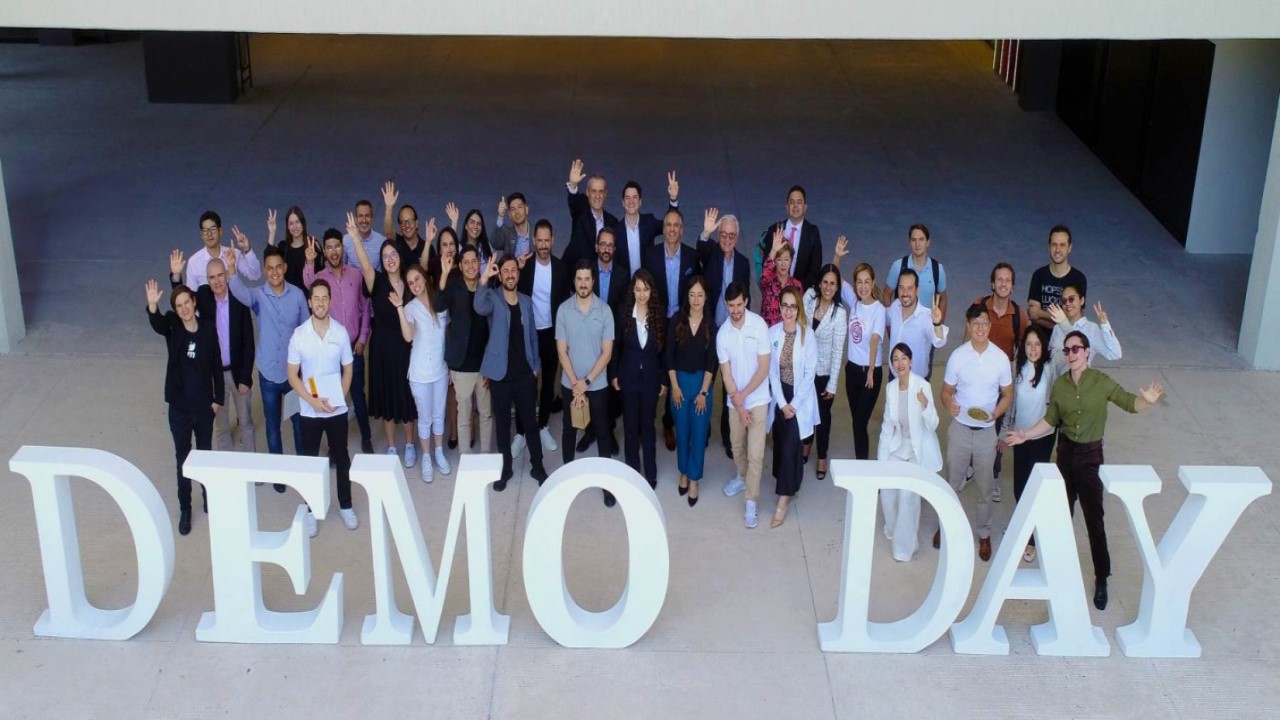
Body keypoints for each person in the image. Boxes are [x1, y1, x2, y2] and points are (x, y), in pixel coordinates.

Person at [1005, 330, 1164, 610]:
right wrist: (1025, 435)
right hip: (1065, 453)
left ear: (1087, 352)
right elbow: (1050, 419)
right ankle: (1059, 572)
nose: (1071, 354)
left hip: (1090, 456)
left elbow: (1129, 402)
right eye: (1067, 350)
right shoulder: (1060, 386)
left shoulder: (1100, 382)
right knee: (1061, 515)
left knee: (1094, 519)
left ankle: (1101, 576)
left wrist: (1146, 402)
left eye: (1076, 349)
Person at [226, 244, 309, 493]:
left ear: (285, 268)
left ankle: (303, 471)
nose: (274, 272)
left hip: (293, 376)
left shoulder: (297, 296)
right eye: (270, 268)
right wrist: (232, 269)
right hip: (269, 374)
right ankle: (278, 474)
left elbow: (306, 331)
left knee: (298, 426)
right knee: (273, 428)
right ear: (264, 270)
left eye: (278, 267)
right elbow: (240, 292)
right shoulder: (259, 296)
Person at [145, 280, 223, 536]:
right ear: (176, 311)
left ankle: (209, 498)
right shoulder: (174, 328)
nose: (184, 308)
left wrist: (217, 399)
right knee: (183, 459)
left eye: (187, 302)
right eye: (179, 306)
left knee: (205, 455)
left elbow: (216, 364)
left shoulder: (208, 328)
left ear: (194, 302)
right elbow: (158, 324)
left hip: (204, 408)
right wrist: (153, 306)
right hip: (180, 409)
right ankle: (186, 509)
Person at [940, 303, 1013, 562]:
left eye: (984, 323)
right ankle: (945, 526)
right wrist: (949, 404)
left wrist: (996, 413)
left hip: (986, 433)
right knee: (952, 483)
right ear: (968, 326)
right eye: (975, 323)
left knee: (985, 488)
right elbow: (946, 391)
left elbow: (1007, 394)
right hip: (960, 429)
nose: (980, 328)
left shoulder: (1000, 358)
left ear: (990, 326)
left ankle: (984, 533)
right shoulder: (958, 356)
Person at [285, 278, 357, 538]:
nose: (320, 302)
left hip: (336, 409)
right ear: (309, 302)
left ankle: (346, 506)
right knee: (310, 461)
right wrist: (312, 400)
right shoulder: (299, 335)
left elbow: (348, 369)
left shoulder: (340, 332)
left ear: (330, 301)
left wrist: (340, 397)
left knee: (342, 457)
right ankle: (309, 510)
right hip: (309, 410)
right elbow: (292, 374)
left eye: (324, 298)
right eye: (316, 298)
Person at [346, 213, 418, 466]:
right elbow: (366, 266)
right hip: (382, 350)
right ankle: (391, 447)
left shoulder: (410, 283)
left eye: (393, 254)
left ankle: (410, 444)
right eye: (385, 256)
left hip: (406, 348)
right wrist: (355, 239)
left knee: (406, 397)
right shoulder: (376, 281)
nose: (390, 259)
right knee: (388, 400)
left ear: (400, 257)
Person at [167, 251, 255, 455]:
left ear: (227, 275)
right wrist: (176, 276)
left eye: (220, 275)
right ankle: (223, 468)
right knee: (221, 427)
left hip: (237, 374)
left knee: (246, 423)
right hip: (214, 376)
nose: (217, 281)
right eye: (212, 277)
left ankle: (250, 466)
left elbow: (249, 341)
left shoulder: (239, 299)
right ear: (207, 280)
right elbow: (183, 301)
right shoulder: (204, 296)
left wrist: (245, 377)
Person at [474, 254, 549, 490]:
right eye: (505, 270)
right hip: (500, 377)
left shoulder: (526, 301)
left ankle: (538, 466)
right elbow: (478, 306)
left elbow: (533, 336)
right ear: (500, 275)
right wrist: (484, 279)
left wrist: (535, 367)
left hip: (525, 375)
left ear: (518, 273)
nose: (510, 274)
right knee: (503, 426)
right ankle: (505, 469)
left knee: (530, 424)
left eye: (513, 270)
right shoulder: (492, 298)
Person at [303, 229, 373, 453]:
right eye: (329, 247)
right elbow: (308, 285)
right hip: (330, 351)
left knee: (358, 396)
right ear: (324, 251)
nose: (334, 251)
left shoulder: (356, 275)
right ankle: (335, 446)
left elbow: (365, 308)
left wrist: (363, 338)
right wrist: (309, 262)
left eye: (337, 246)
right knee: (332, 397)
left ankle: (367, 438)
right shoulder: (319, 277)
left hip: (353, 348)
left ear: (343, 248)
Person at [556, 259, 617, 505]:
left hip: (597, 385)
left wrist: (587, 382)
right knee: (569, 432)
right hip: (570, 384)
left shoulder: (605, 311)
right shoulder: (563, 310)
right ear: (574, 281)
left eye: (587, 279)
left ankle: (607, 487)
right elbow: (562, 351)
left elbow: (607, 353)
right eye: (579, 279)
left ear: (593, 281)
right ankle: (565, 481)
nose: (583, 284)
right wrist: (576, 383)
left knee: (603, 433)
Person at [967, 262, 1028, 501]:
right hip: (977, 376)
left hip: (1002, 380)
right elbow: (967, 338)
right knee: (973, 421)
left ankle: (993, 474)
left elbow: (1022, 350)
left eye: (1007, 280)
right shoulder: (980, 305)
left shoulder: (1018, 315)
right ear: (992, 284)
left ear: (1012, 286)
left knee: (997, 426)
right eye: (999, 280)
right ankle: (971, 466)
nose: (1003, 284)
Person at [877, 343, 943, 562]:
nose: (900, 363)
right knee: (887, 491)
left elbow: (933, 424)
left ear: (911, 361)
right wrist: (881, 462)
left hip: (917, 450)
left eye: (904, 358)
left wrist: (925, 405)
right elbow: (887, 427)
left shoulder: (922, 386)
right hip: (898, 447)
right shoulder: (891, 388)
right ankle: (894, 529)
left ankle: (904, 548)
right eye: (895, 359)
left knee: (907, 496)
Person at [697, 208, 752, 456]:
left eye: (731, 236)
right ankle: (703, 431)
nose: (727, 240)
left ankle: (730, 437)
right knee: (706, 381)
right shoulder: (711, 252)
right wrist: (705, 233)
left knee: (730, 384)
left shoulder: (743, 263)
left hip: (731, 331)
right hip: (711, 328)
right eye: (723, 235)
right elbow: (700, 249)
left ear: (737, 238)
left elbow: (745, 297)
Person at [717, 282, 772, 529]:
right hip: (735, 403)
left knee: (756, 454)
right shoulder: (722, 334)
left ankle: (751, 501)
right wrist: (738, 405)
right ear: (726, 305)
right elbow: (726, 373)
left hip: (758, 400)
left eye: (739, 304)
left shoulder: (759, 326)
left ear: (746, 301)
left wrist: (744, 396)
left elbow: (764, 368)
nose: (736, 310)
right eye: (731, 306)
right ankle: (741, 477)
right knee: (737, 446)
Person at [643, 207, 698, 451]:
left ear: (682, 230)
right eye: (668, 225)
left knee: (674, 369)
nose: (672, 229)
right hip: (657, 322)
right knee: (652, 369)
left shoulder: (691, 257)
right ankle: (646, 422)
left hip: (680, 323)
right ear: (663, 229)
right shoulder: (651, 255)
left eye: (676, 225)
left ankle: (668, 422)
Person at [390, 263, 451, 482]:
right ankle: (426, 456)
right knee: (425, 418)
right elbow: (408, 336)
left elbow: (448, 334)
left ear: (425, 278)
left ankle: (439, 452)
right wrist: (399, 307)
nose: (415, 284)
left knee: (439, 414)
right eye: (410, 283)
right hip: (420, 374)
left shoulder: (440, 302)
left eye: (417, 279)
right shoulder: (410, 308)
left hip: (440, 370)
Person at [1001, 324, 1054, 563]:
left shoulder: (1051, 369)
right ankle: (1023, 526)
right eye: (1029, 344)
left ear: (1044, 347)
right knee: (1019, 486)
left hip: (1041, 437)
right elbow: (1009, 403)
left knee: (1033, 487)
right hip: (1019, 435)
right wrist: (1004, 433)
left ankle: (1030, 539)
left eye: (1037, 344)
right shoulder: (1017, 368)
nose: (1033, 349)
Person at [767, 286, 818, 528]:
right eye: (784, 306)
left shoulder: (808, 335)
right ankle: (793, 481)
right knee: (781, 443)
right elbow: (772, 372)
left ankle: (783, 499)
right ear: (779, 307)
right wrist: (782, 403)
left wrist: (794, 405)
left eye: (793, 306)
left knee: (790, 446)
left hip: (800, 399)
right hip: (781, 397)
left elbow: (809, 375)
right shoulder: (773, 333)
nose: (788, 311)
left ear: (799, 309)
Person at [517, 219, 568, 455]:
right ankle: (520, 432)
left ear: (553, 240)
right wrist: (517, 269)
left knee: (548, 382)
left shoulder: (561, 268)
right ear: (534, 241)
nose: (544, 245)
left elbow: (565, 303)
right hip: (529, 333)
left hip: (551, 333)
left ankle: (543, 425)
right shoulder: (525, 267)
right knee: (526, 383)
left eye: (547, 240)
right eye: (540, 240)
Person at [611, 269, 665, 490]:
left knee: (648, 426)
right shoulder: (623, 312)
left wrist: (663, 380)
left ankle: (650, 473)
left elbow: (663, 351)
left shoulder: (658, 313)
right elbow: (616, 346)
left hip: (651, 379)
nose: (642, 294)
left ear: (651, 291)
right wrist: (614, 373)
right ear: (632, 291)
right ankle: (632, 472)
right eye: (638, 289)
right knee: (630, 427)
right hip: (629, 377)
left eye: (646, 289)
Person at [665, 276, 717, 507]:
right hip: (679, 385)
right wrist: (674, 387)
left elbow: (711, 361)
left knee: (698, 433)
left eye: (700, 295)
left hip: (701, 386)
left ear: (706, 297)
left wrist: (704, 393)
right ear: (687, 296)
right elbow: (669, 355)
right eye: (692, 295)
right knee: (682, 430)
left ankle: (694, 478)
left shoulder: (710, 325)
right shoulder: (677, 320)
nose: (696, 300)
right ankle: (684, 472)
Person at [438, 245, 493, 453]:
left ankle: (485, 456)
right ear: (460, 266)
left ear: (479, 264)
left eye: (474, 261)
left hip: (484, 366)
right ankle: (466, 459)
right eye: (466, 262)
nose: (471, 266)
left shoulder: (486, 285)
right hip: (461, 366)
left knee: (486, 414)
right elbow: (438, 305)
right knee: (463, 416)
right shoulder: (453, 286)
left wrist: (492, 365)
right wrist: (444, 274)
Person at [579, 227, 626, 455]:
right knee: (588, 385)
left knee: (609, 389)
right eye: (602, 244)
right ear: (596, 247)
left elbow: (623, 311)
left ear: (614, 249)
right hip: (588, 340)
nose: (606, 249)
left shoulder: (622, 275)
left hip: (612, 341)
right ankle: (590, 431)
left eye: (610, 245)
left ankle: (607, 430)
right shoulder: (586, 273)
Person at [801, 264, 848, 479]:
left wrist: (832, 384)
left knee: (823, 416)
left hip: (824, 373)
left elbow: (838, 351)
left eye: (833, 284)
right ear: (819, 284)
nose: (828, 287)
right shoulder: (809, 298)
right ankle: (806, 444)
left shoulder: (840, 314)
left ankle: (822, 455)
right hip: (805, 370)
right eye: (825, 282)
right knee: (805, 411)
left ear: (837, 287)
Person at [841, 261, 886, 461]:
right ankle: (862, 463)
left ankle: (863, 465)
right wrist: (837, 256)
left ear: (873, 282)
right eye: (859, 282)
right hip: (852, 370)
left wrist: (870, 370)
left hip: (870, 373)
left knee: (859, 422)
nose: (863, 286)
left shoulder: (879, 310)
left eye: (867, 281)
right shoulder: (854, 302)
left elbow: (875, 339)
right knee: (856, 422)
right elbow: (834, 275)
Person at [610, 172, 680, 279]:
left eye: (635, 197)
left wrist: (673, 199)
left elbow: (669, 224)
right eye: (627, 198)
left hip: (647, 284)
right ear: (623, 202)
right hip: (625, 285)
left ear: (640, 202)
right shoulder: (615, 230)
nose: (631, 201)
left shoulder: (649, 222)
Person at [754, 185, 824, 290]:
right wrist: (778, 288)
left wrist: (796, 289)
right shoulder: (775, 229)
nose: (795, 206)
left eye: (799, 202)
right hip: (775, 292)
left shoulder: (812, 232)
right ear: (787, 206)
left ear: (805, 207)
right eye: (792, 202)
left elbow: (815, 270)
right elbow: (767, 264)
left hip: (800, 292)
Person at [886, 269, 948, 381]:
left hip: (917, 382)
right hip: (894, 377)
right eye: (901, 287)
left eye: (910, 288)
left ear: (917, 290)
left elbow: (939, 341)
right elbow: (883, 318)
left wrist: (937, 323)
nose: (905, 293)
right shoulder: (895, 306)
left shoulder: (926, 317)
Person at [1047, 285, 1122, 377]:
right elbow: (1051, 360)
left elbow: (1115, 354)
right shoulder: (1057, 327)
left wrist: (1105, 325)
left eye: (1071, 299)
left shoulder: (1091, 329)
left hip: (1077, 382)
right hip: (1055, 383)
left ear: (1082, 300)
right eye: (1064, 301)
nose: (1067, 303)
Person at [882, 224, 947, 325]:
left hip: (927, 329)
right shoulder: (898, 266)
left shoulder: (938, 269)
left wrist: (938, 326)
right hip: (902, 328)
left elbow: (943, 299)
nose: (917, 244)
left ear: (928, 242)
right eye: (914, 240)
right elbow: (886, 294)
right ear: (909, 242)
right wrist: (891, 325)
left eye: (921, 239)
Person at [1028, 224, 1087, 331]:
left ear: (1070, 248)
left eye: (1062, 245)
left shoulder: (1078, 279)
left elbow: (1073, 319)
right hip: (1039, 339)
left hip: (1067, 339)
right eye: (1054, 245)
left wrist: (1041, 313)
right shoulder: (1038, 275)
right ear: (1049, 247)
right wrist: (1062, 321)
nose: (1057, 250)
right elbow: (1033, 315)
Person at [564, 159, 619, 269]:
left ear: (605, 194)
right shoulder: (581, 211)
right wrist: (573, 185)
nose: (597, 196)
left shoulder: (613, 222)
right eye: (593, 191)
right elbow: (574, 202)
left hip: (600, 275)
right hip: (574, 273)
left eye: (601, 191)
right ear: (587, 193)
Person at [187, 210, 261, 289]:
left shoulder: (233, 254)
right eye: (205, 230)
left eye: (213, 229)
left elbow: (255, 275)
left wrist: (247, 249)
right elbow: (191, 294)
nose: (209, 234)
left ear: (220, 231)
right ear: (201, 235)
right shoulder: (193, 262)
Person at [266, 206, 322, 291]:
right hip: (287, 297)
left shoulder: (312, 246)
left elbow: (322, 275)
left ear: (303, 223)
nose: (295, 226)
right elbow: (268, 261)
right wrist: (272, 232)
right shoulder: (283, 247)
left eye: (297, 222)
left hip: (309, 297)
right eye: (291, 223)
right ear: (288, 227)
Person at [759, 226, 804, 326]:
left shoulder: (797, 286)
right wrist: (774, 250)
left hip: (788, 332)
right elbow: (764, 273)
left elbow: (800, 313)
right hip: (768, 332)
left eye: (786, 259)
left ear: (791, 261)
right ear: (774, 261)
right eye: (779, 259)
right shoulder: (768, 281)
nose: (783, 264)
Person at [381, 181, 431, 271]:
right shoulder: (396, 244)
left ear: (416, 223)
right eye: (403, 222)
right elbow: (388, 232)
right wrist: (389, 207)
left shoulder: (427, 247)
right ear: (399, 226)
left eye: (410, 221)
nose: (407, 225)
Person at [344, 199, 387, 271]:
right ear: (355, 219)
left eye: (367, 216)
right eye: (360, 216)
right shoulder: (346, 240)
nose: (364, 220)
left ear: (372, 218)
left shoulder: (382, 242)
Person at [492, 192, 533, 260]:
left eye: (520, 207)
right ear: (509, 215)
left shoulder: (537, 232)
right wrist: (500, 216)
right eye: (513, 209)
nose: (517, 212)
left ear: (526, 210)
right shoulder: (507, 233)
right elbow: (495, 243)